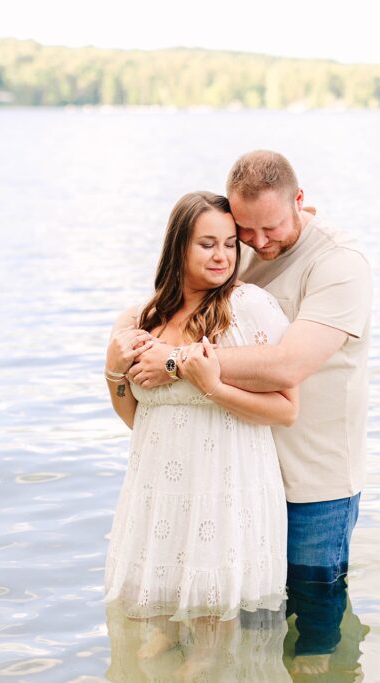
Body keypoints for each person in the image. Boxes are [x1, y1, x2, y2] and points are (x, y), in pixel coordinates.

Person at [129, 151, 372, 673]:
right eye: (246, 231)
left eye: (271, 228)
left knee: (313, 620)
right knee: (254, 617)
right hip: (239, 470)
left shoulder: (340, 264)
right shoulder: (234, 245)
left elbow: (286, 366)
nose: (257, 244)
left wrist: (175, 362)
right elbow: (181, 297)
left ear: (299, 202)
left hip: (314, 473)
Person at [103, 191, 298, 662]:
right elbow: (139, 420)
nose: (222, 256)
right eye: (207, 244)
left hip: (225, 492)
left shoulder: (247, 306)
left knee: (207, 657)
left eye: (230, 244)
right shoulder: (141, 319)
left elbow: (286, 410)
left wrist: (210, 386)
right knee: (151, 648)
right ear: (178, 247)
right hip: (161, 493)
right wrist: (112, 371)